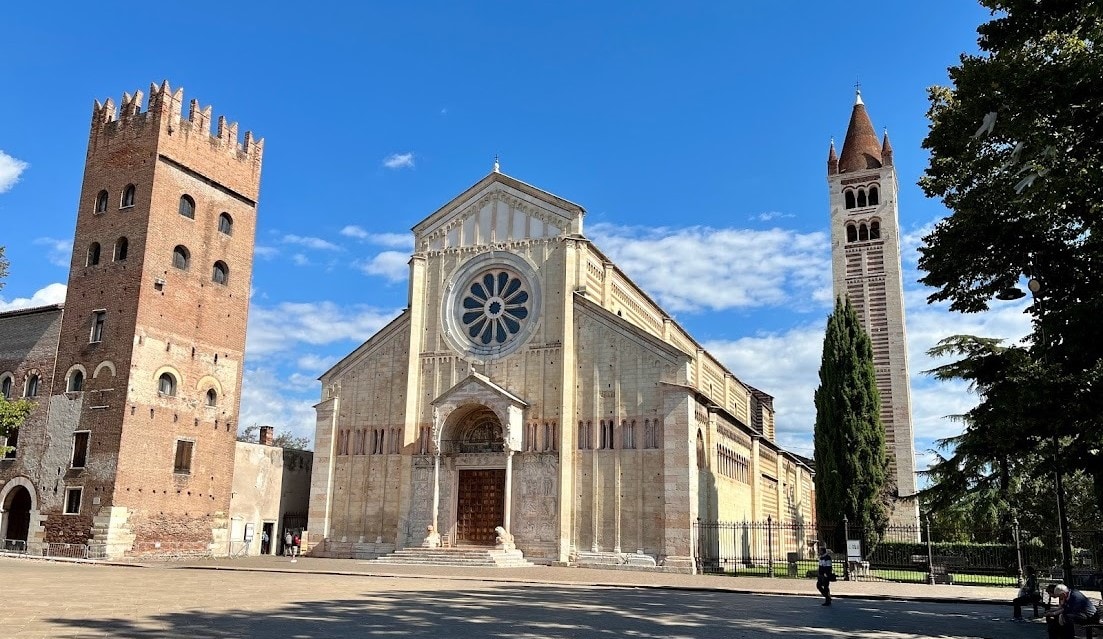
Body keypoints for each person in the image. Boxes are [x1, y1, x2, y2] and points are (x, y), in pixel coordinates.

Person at [816, 542, 834, 606]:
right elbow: (820, 567)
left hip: (826, 575)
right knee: (818, 585)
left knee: (826, 587)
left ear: (823, 551)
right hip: (821, 574)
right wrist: (819, 573)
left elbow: (829, 567)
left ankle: (827, 600)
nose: (819, 552)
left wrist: (826, 574)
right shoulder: (821, 558)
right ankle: (827, 597)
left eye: (820, 551)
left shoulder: (827, 558)